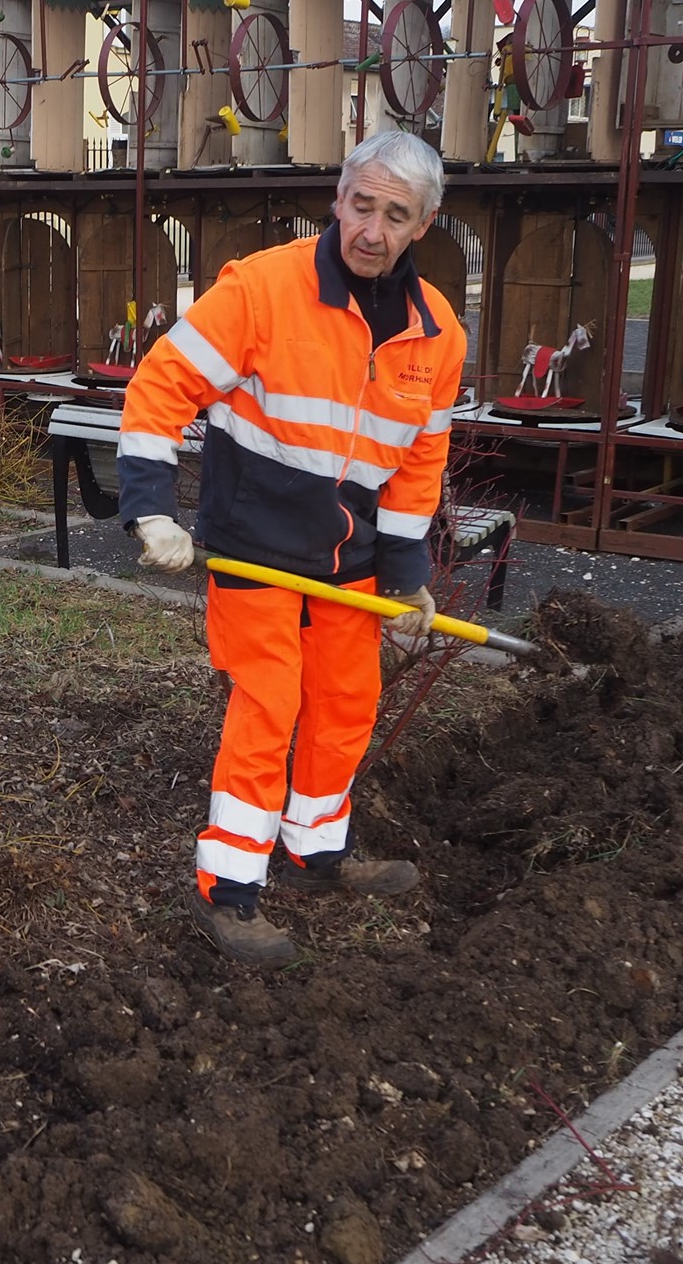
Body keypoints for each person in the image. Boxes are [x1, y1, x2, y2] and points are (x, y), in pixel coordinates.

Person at [116, 130, 466, 968]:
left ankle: (315, 854)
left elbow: (420, 465)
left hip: (352, 562)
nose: (371, 230)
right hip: (257, 549)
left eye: (395, 215)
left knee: (347, 704)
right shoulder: (263, 288)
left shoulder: (436, 333)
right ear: (337, 200)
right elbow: (159, 389)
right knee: (268, 706)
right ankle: (228, 889)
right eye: (360, 205)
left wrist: (410, 578)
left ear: (424, 226)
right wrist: (151, 511)